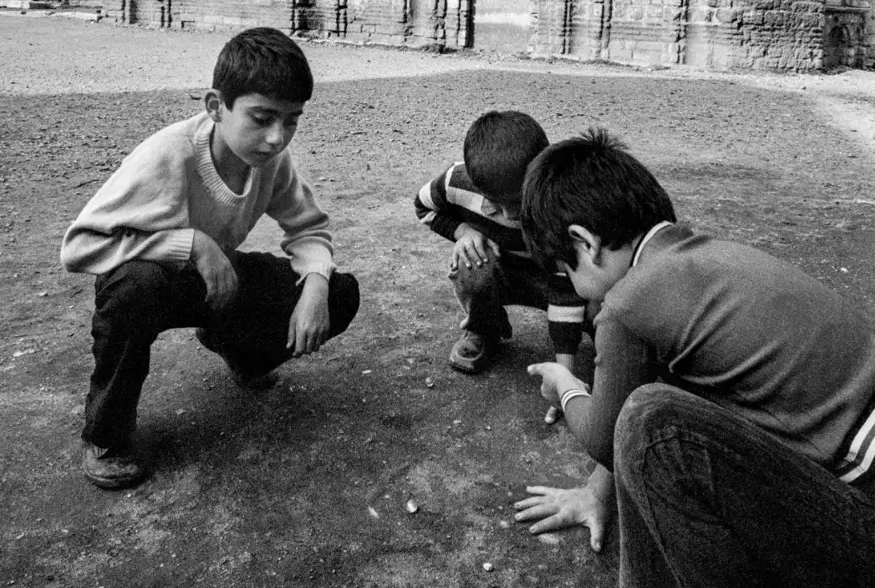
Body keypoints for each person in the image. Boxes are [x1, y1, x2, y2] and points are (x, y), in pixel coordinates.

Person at [516, 127, 875, 588]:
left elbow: (608, 433)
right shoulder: (707, 261)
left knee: (651, 424)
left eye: (566, 271)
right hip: (857, 489)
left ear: (585, 243)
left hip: (865, 529)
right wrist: (595, 491)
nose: (578, 295)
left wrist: (569, 385)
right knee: (663, 405)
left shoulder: (630, 304)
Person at [62, 27, 359, 490]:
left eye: (292, 120)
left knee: (340, 292)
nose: (277, 137)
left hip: (216, 281)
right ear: (216, 106)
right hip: (153, 281)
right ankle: (107, 435)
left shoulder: (273, 161)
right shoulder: (168, 154)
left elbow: (309, 228)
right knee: (132, 289)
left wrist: (316, 284)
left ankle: (240, 350)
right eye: (261, 118)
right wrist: (193, 244)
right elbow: (81, 246)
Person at [415, 110, 591, 389]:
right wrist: (463, 232)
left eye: (519, 201)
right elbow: (423, 206)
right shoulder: (454, 181)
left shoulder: (559, 206)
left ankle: (600, 337)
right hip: (501, 270)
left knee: (601, 309)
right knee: (470, 263)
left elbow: (565, 285)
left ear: (540, 175)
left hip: (553, 278)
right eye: (494, 204)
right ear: (474, 181)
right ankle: (485, 328)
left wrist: (564, 371)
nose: (509, 215)